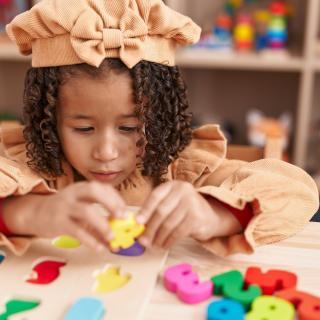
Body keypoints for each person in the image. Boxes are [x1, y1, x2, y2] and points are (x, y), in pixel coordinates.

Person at [1, 0, 318, 257]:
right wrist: (28, 212)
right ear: (50, 121)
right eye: (84, 129)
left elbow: (296, 191)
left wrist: (215, 214)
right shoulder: (36, 167)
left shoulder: (184, 169)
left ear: (159, 118)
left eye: (129, 128)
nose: (106, 151)